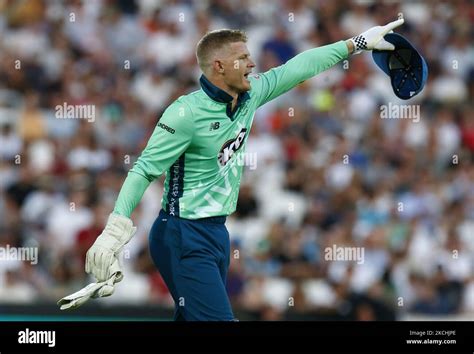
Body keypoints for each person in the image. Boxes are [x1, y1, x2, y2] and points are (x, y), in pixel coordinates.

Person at [85, 18, 404, 321]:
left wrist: (358, 42)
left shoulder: (249, 96)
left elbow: (299, 67)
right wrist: (115, 227)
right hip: (181, 233)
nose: (252, 64)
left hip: (216, 234)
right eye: (242, 58)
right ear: (218, 67)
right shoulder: (184, 113)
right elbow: (143, 170)